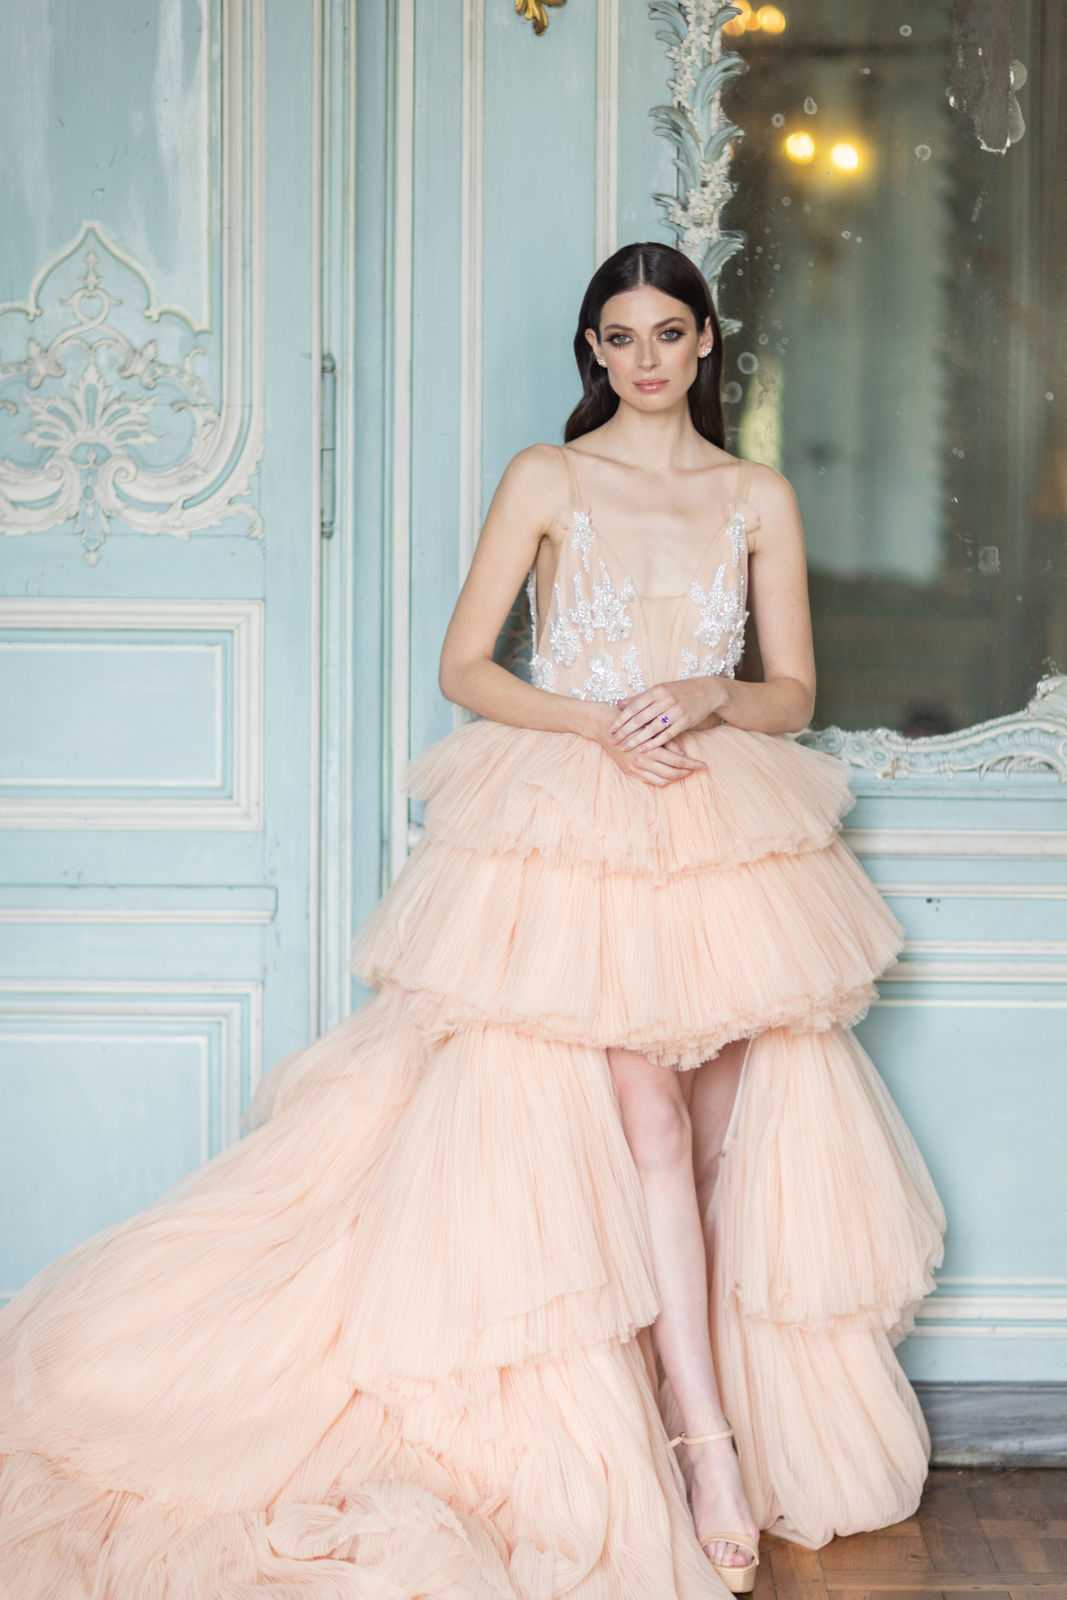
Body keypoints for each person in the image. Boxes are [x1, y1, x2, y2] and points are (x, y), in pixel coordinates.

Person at [0, 241, 946, 1599]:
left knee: (731, 1122)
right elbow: (463, 665)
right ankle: (706, 1452)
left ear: (705, 344)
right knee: (643, 1118)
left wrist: (707, 696)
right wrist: (596, 724)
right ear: (593, 351)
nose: (643, 360)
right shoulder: (548, 478)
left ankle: (697, 1408)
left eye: (667, 334)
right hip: (575, 813)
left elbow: (790, 688)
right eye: (617, 338)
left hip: (723, 823)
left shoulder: (757, 494)